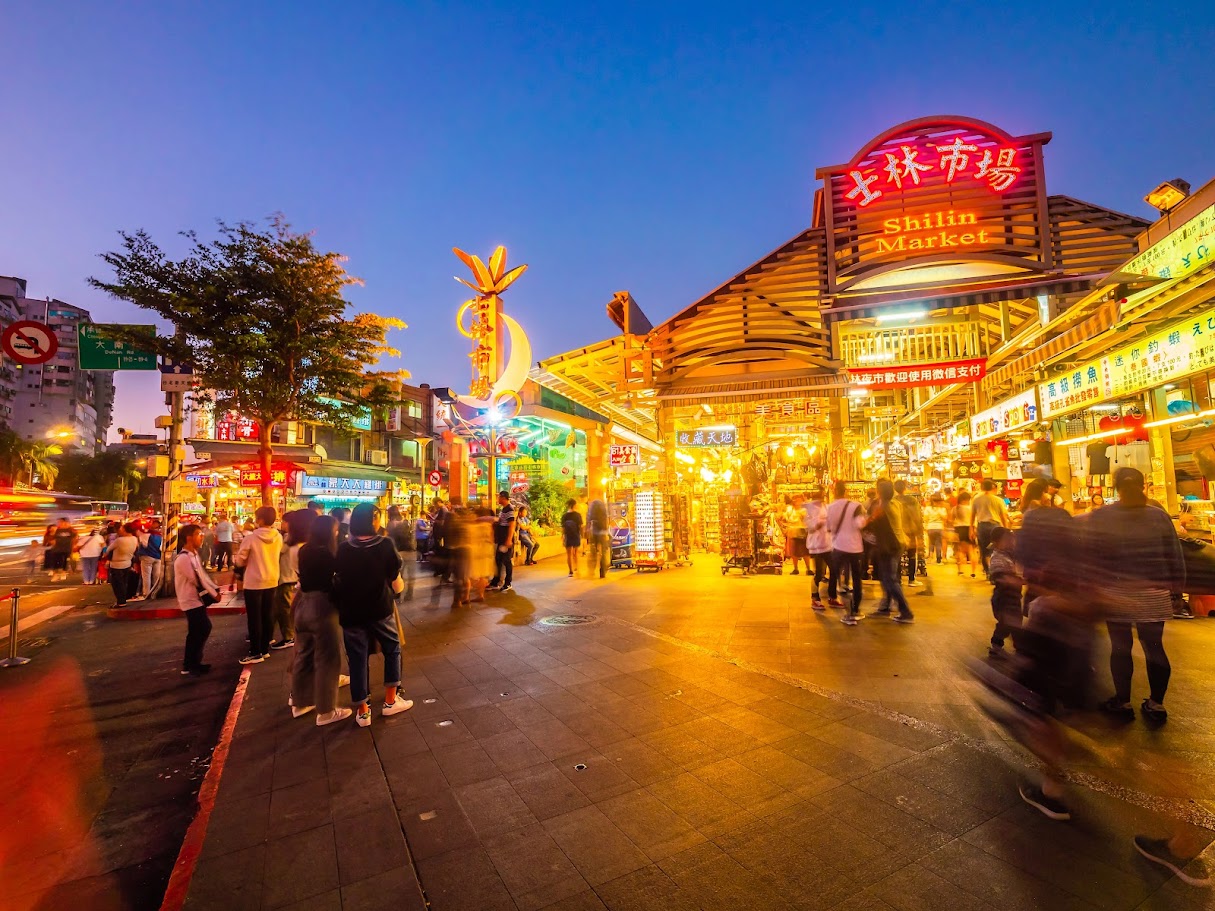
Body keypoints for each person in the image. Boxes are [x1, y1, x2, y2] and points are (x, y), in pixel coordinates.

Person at [1086, 467, 1183, 724]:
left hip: (1114, 591)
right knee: (1154, 648)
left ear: (1115, 486)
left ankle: (1123, 700)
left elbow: (1091, 556)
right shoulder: (1159, 516)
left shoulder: (1102, 516)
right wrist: (1177, 591)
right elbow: (1175, 555)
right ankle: (1157, 704)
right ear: (1144, 485)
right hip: (1153, 592)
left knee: (1120, 648)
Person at [334, 503, 411, 727]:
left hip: (351, 611)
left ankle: (362, 711)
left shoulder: (344, 547)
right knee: (392, 648)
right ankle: (390, 701)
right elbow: (394, 573)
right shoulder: (384, 544)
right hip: (379, 608)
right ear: (373, 519)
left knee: (357, 659)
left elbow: (338, 574)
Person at [291, 516, 352, 726]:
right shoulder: (327, 553)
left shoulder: (305, 549)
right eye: (335, 530)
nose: (337, 534)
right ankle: (326, 711)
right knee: (328, 659)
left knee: (304, 654)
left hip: (303, 605)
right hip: (322, 607)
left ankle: (300, 703)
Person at [234, 506, 283, 665]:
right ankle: (264, 648)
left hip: (254, 582)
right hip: (272, 579)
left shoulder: (250, 538)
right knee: (267, 614)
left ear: (260, 520)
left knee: (254, 618)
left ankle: (255, 652)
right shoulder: (278, 537)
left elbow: (240, 560)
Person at [865, 479, 913, 623]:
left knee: (889, 580)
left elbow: (870, 521)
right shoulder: (895, 503)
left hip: (889, 545)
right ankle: (885, 607)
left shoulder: (883, 506)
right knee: (889, 578)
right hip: (898, 543)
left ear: (879, 492)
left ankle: (906, 612)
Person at [174, 523, 219, 677]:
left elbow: (203, 576)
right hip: (189, 600)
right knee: (200, 629)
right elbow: (196, 580)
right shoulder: (183, 558)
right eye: (199, 535)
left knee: (199, 630)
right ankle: (190, 664)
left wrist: (214, 588)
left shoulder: (194, 555)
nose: (202, 538)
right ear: (189, 538)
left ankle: (193, 663)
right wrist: (214, 593)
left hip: (196, 599)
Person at [825, 483, 865, 624]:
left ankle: (832, 596)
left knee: (834, 573)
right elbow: (860, 524)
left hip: (838, 546)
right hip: (855, 547)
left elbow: (828, 528)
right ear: (845, 491)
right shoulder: (856, 506)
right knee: (856, 578)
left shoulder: (830, 508)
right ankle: (855, 609)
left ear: (834, 491)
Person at [987, 527, 1024, 659]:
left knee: (1014, 621)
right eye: (1007, 539)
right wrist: (1017, 581)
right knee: (1007, 622)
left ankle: (1018, 646)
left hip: (1013, 596)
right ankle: (997, 644)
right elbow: (1001, 577)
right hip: (1004, 596)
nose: (1011, 542)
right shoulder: (997, 557)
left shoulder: (1009, 555)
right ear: (997, 542)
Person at [971, 479, 1009, 576]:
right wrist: (1007, 530)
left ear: (982, 487)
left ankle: (988, 571)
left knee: (984, 550)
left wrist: (971, 529)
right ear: (993, 488)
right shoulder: (998, 500)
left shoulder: (976, 499)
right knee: (995, 549)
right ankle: (995, 570)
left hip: (982, 526)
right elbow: (1003, 517)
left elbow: (972, 515)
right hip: (995, 526)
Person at [270, 525, 299, 650]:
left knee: (284, 608)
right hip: (289, 576)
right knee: (281, 607)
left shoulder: (288, 538)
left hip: (286, 576)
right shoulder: (296, 538)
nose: (282, 523)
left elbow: (279, 551)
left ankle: (289, 637)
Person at [802, 490, 830, 608]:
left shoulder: (826, 507)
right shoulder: (808, 510)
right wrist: (816, 525)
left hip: (827, 544)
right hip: (816, 546)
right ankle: (815, 597)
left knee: (831, 570)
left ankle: (832, 596)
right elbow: (808, 525)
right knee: (818, 573)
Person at [893, 481, 924, 585]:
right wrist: (919, 530)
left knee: (897, 556)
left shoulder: (893, 501)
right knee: (911, 555)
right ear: (905, 488)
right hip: (910, 531)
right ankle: (911, 579)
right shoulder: (912, 500)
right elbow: (917, 516)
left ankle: (898, 579)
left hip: (897, 531)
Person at [488, 491, 517, 593]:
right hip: (501, 539)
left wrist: (508, 539)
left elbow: (512, 525)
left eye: (499, 497)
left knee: (506, 561)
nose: (497, 499)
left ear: (503, 498)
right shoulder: (504, 509)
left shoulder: (509, 509)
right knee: (498, 560)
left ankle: (508, 583)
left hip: (506, 539)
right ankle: (496, 582)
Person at [104, 523, 139, 608]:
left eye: (122, 529)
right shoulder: (135, 539)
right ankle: (123, 600)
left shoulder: (119, 540)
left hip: (116, 565)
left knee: (117, 584)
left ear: (125, 530)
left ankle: (121, 602)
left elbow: (108, 549)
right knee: (124, 583)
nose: (120, 530)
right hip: (127, 563)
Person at [386, 505, 416, 599]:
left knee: (399, 574)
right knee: (411, 574)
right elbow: (411, 536)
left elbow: (390, 539)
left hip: (398, 551)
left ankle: (398, 593)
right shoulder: (405, 521)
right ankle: (409, 593)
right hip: (410, 550)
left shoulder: (391, 524)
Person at [134, 519, 163, 600]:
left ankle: (146, 594)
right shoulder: (160, 536)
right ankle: (155, 592)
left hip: (147, 557)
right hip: (157, 557)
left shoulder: (145, 535)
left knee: (146, 576)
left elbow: (142, 545)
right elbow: (161, 548)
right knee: (156, 576)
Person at [784, 494, 810, 575]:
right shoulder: (789, 509)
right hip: (793, 532)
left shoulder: (804, 510)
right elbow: (786, 519)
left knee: (805, 552)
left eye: (799, 500)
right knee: (794, 551)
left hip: (803, 532)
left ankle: (808, 569)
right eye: (795, 500)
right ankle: (795, 568)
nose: (797, 502)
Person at [952, 491, 977, 577]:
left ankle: (960, 571)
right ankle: (973, 572)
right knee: (971, 551)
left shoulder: (955, 508)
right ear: (968, 499)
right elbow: (975, 520)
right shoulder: (971, 508)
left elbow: (951, 520)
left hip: (958, 529)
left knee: (960, 551)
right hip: (970, 528)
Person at [586, 499, 610, 579]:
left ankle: (591, 570)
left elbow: (588, 520)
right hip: (602, 532)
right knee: (603, 552)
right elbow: (606, 519)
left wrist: (588, 531)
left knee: (593, 551)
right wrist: (607, 532)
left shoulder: (592, 507)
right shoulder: (603, 507)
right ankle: (602, 571)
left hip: (594, 532)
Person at [561, 499, 582, 577]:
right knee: (575, 553)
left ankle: (570, 571)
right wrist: (581, 535)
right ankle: (576, 567)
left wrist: (563, 537)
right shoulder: (577, 515)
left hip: (568, 536)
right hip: (576, 535)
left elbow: (563, 528)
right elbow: (580, 526)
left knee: (568, 554)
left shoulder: (564, 516)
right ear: (574, 505)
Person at [924, 496, 947, 564]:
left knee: (931, 543)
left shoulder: (928, 508)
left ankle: (930, 558)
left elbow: (925, 518)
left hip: (930, 527)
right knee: (938, 543)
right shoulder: (942, 509)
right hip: (939, 527)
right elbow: (945, 518)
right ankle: (938, 559)